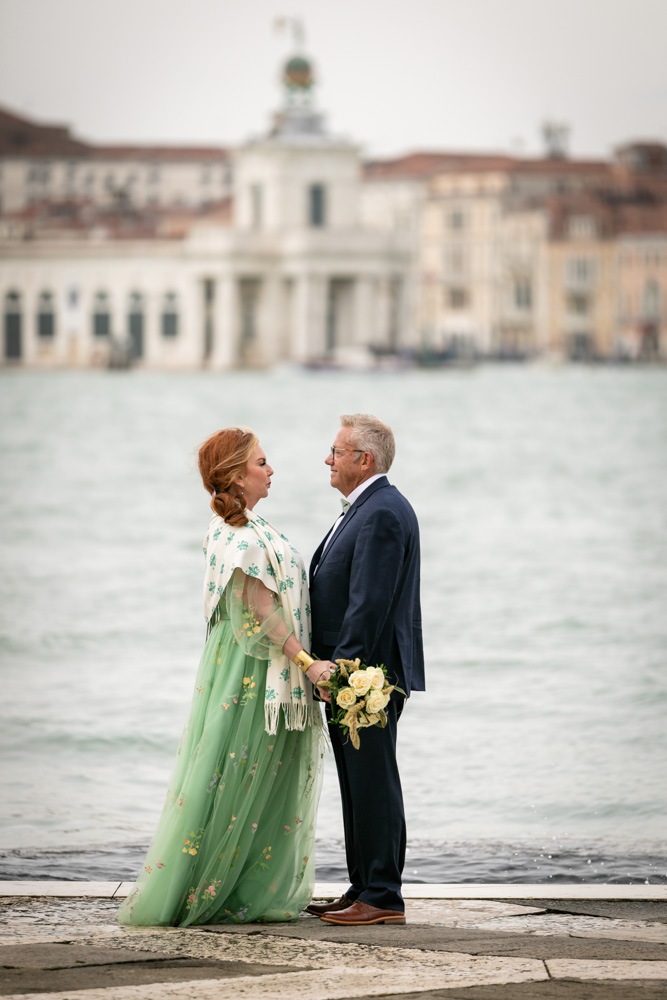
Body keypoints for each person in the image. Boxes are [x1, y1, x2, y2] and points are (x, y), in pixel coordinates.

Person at [118, 427, 333, 927]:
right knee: (241, 775)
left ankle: (238, 883)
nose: (271, 469)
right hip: (253, 673)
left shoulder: (242, 528)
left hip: (236, 665)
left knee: (245, 779)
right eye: (262, 462)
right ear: (237, 475)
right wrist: (309, 663)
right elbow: (260, 617)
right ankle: (221, 889)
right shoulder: (241, 537)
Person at [305, 414, 424, 926]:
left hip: (365, 675)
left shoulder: (381, 513)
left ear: (364, 460)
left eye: (336, 451)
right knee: (358, 783)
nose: (327, 459)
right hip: (355, 673)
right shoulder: (366, 509)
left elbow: (369, 601)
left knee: (373, 781)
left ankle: (383, 896)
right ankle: (363, 887)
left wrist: (341, 670)